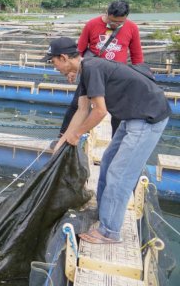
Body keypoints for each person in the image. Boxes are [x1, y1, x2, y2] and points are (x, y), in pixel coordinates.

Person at [46, 37, 170, 244]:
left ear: (64, 58)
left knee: (119, 174)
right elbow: (82, 110)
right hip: (132, 116)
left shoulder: (92, 68)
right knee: (107, 162)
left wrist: (77, 135)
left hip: (148, 118)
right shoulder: (86, 70)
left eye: (53, 62)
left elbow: (100, 112)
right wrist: (64, 139)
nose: (54, 66)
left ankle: (110, 231)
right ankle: (104, 211)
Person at [59, 0, 143, 137]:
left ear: (126, 17)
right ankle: (62, 135)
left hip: (116, 78)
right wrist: (72, 70)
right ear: (107, 13)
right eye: (112, 21)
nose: (115, 25)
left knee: (118, 113)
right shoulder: (92, 24)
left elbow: (137, 56)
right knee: (77, 105)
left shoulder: (132, 28)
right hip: (91, 73)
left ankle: (116, 142)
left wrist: (142, 76)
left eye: (119, 23)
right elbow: (78, 50)